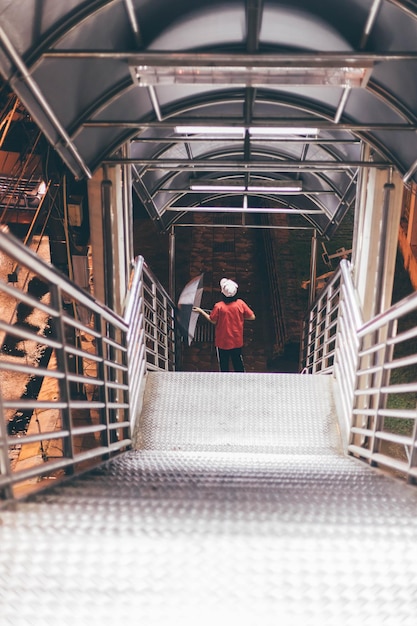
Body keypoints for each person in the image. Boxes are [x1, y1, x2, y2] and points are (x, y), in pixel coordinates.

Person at [193, 278, 255, 372]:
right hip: (236, 340)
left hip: (222, 342)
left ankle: (225, 382)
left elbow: (212, 320)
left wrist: (201, 311)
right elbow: (252, 317)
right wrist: (239, 317)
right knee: (238, 362)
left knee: (223, 365)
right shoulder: (240, 304)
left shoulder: (219, 306)